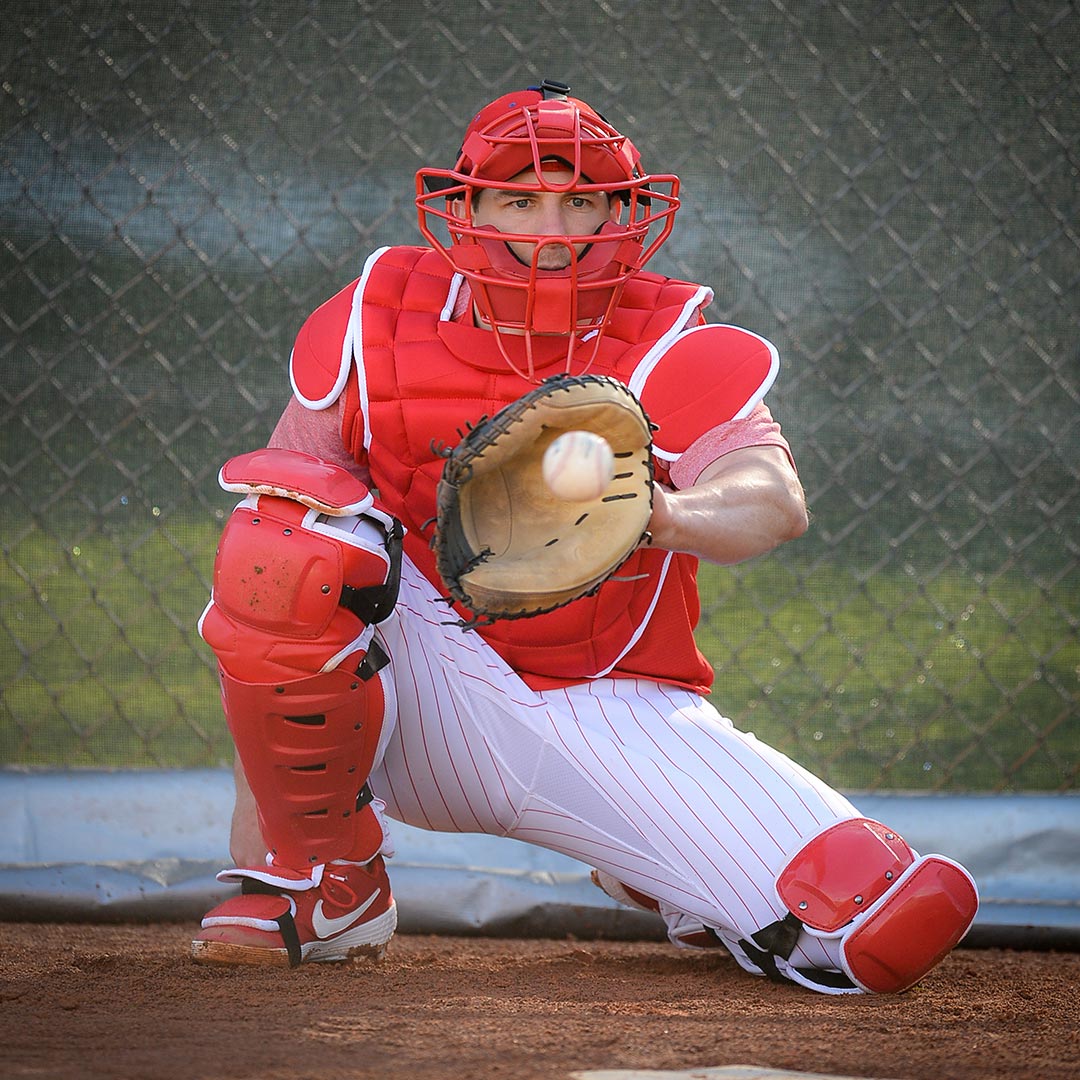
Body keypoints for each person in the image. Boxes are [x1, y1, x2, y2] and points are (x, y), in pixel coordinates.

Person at [191, 79, 978, 993]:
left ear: (619, 214)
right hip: (409, 692)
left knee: (880, 921)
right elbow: (280, 516)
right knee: (282, 541)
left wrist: (657, 516)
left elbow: (772, 500)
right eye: (519, 201)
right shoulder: (379, 311)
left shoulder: (665, 333)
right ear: (468, 209)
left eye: (580, 203)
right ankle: (320, 882)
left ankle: (655, 865)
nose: (552, 229)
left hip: (598, 697)